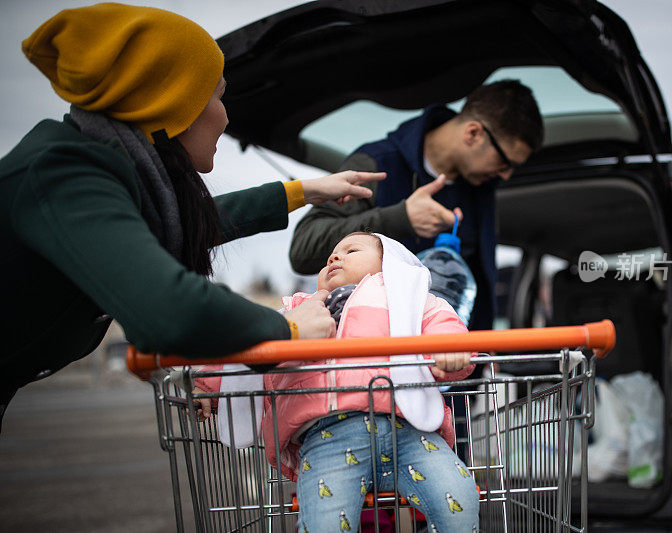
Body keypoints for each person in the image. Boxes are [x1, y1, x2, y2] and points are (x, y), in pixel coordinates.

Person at [0, 4, 385, 430]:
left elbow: (178, 226)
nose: (226, 116)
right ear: (172, 105)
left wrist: (303, 191)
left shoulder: (98, 164)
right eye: (219, 95)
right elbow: (167, 306)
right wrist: (286, 329)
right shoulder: (64, 174)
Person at [194, 232, 479, 532]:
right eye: (329, 256)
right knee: (324, 524)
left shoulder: (408, 299)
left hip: (409, 430)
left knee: (460, 501)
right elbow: (251, 347)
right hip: (327, 435)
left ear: (390, 264)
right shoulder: (298, 311)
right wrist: (207, 385)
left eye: (351, 250)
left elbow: (443, 323)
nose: (334, 257)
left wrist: (449, 348)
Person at [290, 80, 544, 331]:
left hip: (455, 359)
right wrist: (401, 218)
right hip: (379, 358)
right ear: (473, 133)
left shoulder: (481, 187)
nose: (506, 175)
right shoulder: (377, 164)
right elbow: (303, 249)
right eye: (505, 162)